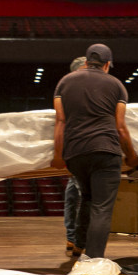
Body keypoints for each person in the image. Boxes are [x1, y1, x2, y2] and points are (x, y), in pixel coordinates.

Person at [52, 43, 138, 259]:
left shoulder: (64, 82)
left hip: (75, 153)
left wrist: (57, 156)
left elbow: (60, 121)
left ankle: (78, 245)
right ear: (107, 64)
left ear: (85, 62)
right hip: (105, 151)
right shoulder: (116, 85)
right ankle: (94, 259)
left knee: (88, 198)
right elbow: (120, 127)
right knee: (102, 208)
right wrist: (131, 156)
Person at [63, 56, 86, 255]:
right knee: (72, 197)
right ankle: (72, 237)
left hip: (82, 146)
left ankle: (78, 239)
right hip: (75, 146)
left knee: (80, 196)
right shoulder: (69, 87)